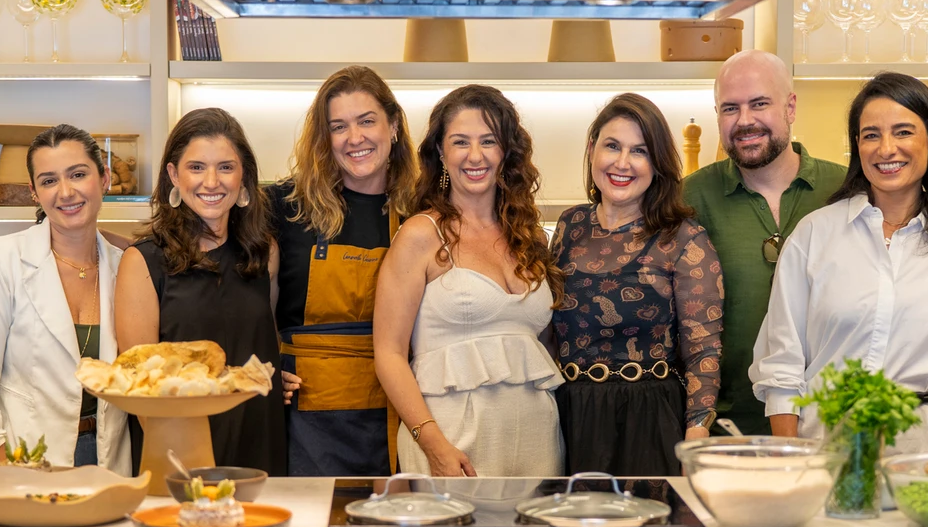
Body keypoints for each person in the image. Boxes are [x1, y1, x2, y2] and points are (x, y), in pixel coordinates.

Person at [750, 71, 928, 452]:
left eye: (903, 132)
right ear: (857, 147)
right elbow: (782, 366)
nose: (886, 149)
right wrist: (793, 462)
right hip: (830, 452)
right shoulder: (814, 235)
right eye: (871, 135)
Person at [374, 84, 564, 477]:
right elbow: (389, 355)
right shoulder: (420, 235)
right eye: (461, 142)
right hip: (451, 447)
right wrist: (434, 446)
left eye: (488, 141)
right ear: (441, 153)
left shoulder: (530, 237)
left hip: (537, 445)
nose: (475, 156)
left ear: (506, 152)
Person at [552, 93, 723, 476]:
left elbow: (704, 349)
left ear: (657, 163)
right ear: (592, 148)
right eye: (612, 146)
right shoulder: (569, 225)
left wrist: (696, 433)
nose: (623, 163)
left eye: (640, 151)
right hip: (569, 413)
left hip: (648, 415)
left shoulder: (683, 238)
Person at [682, 50, 847, 436]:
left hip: (835, 428)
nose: (744, 121)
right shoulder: (690, 197)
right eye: (729, 108)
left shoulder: (846, 190)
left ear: (790, 107)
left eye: (759, 104)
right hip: (724, 430)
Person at [115, 108, 286, 475]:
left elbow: (261, 340)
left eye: (226, 167)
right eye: (196, 167)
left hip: (260, 439)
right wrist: (179, 463)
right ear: (174, 175)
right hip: (180, 454)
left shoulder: (263, 253)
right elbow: (137, 385)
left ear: (244, 178)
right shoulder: (142, 262)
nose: (212, 181)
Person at [0, 124, 130, 472]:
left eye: (78, 174)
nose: (65, 192)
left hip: (107, 460)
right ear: (34, 192)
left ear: (105, 178)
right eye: (49, 181)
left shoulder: (127, 268)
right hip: (19, 456)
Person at [269, 66, 417, 477]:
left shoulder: (422, 212)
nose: (355, 138)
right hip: (304, 416)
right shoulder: (284, 206)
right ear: (324, 138)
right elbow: (237, 296)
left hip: (398, 408)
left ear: (394, 126)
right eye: (339, 127)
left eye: (367, 121)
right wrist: (261, 364)